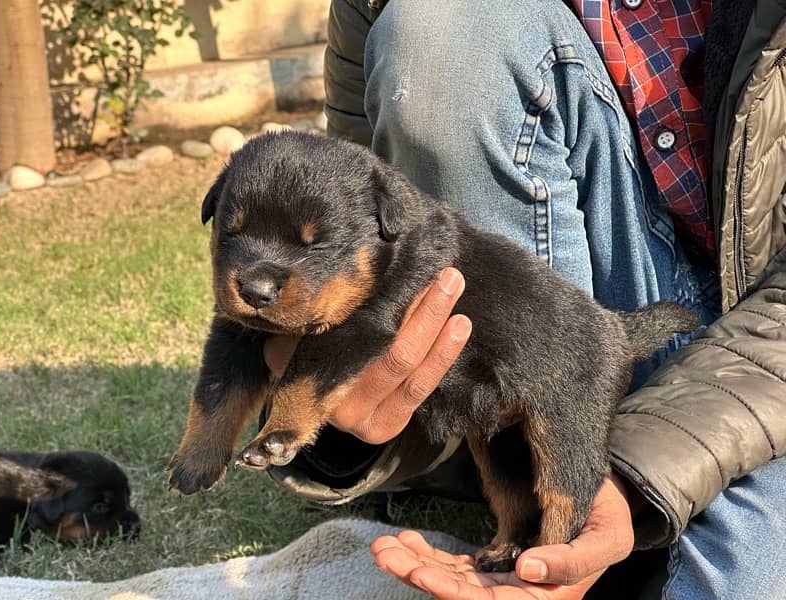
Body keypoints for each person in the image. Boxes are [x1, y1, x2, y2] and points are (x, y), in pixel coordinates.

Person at [261, 0, 786, 597]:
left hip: (763, 363)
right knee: (446, 29)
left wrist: (634, 481)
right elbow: (374, 251)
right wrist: (346, 427)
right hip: (534, 375)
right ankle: (540, 524)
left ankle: (593, 516)